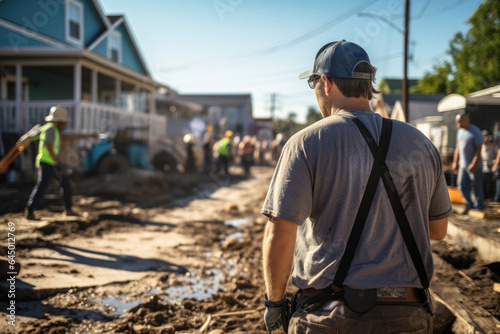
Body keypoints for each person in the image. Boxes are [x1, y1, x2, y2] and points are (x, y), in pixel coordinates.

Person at [261, 40, 451, 334]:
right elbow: (438, 232)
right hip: (408, 317)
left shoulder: (306, 143)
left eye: (313, 82)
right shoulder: (421, 144)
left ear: (324, 82)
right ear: (368, 84)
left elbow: (280, 234)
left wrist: (274, 305)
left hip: (329, 318)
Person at [26, 106, 76, 220]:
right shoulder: (51, 129)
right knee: (43, 186)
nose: (65, 124)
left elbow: (33, 138)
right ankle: (30, 210)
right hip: (48, 162)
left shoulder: (48, 128)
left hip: (50, 162)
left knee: (64, 183)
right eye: (64, 122)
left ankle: (68, 209)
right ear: (58, 121)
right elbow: (48, 145)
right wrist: (56, 161)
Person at [452, 113, 484, 214]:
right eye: (457, 121)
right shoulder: (460, 131)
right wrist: (455, 162)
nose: (457, 123)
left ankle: (478, 206)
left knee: (476, 186)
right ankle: (469, 205)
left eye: (459, 121)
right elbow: (458, 148)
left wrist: (473, 163)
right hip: (463, 165)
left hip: (474, 165)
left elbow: (479, 149)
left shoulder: (475, 131)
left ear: (466, 120)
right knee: (461, 185)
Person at [481, 131, 497, 200]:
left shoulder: (493, 146)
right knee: (482, 185)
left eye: (485, 137)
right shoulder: (480, 146)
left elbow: (497, 157)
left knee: (489, 186)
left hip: (489, 168)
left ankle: (490, 199)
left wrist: (494, 165)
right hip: (481, 168)